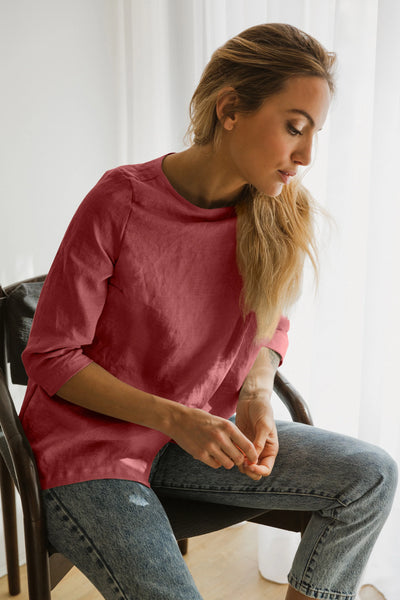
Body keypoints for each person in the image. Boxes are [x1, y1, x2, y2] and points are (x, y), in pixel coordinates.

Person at [20, 23, 397, 600]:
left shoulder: (276, 210)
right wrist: (176, 417)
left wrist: (254, 391)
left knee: (370, 476)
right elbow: (51, 357)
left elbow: (272, 326)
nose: (307, 155)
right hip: (89, 451)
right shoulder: (119, 201)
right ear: (230, 109)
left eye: (315, 133)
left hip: (194, 439)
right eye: (294, 128)